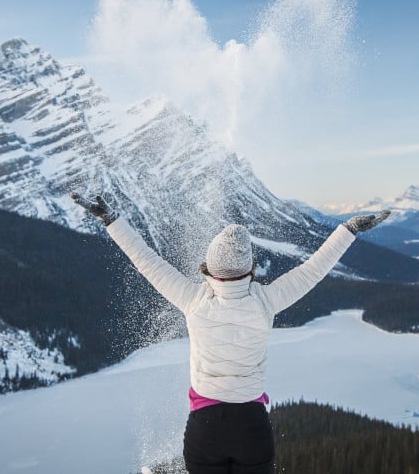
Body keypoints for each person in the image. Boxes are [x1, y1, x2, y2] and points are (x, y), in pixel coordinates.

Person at [71, 192, 389, 474]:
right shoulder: (266, 301)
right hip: (252, 426)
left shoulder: (193, 300)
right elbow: (313, 269)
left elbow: (146, 261)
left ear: (208, 267)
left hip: (204, 429)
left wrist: (110, 219)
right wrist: (348, 231)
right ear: (250, 268)